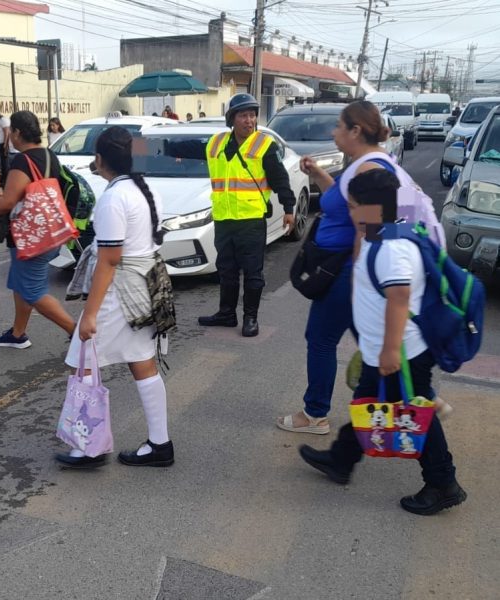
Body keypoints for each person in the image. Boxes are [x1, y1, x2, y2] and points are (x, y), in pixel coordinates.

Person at [299, 168, 466, 516]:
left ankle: (442, 482)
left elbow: (399, 297)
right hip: (388, 349)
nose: (350, 212)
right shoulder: (385, 231)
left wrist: (389, 349)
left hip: (401, 351)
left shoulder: (392, 247)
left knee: (416, 414)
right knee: (368, 401)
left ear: (370, 208)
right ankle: (342, 459)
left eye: (353, 205)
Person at [55, 126, 173, 469]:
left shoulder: (114, 198)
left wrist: (89, 316)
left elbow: (109, 260)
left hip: (120, 293)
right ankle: (160, 444)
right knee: (143, 363)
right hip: (145, 288)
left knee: (84, 359)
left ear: (101, 159)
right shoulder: (145, 189)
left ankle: (88, 448)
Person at [277, 100, 391, 435]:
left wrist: (359, 279)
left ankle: (314, 415)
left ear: (356, 130)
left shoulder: (369, 170)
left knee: (321, 339)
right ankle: (413, 398)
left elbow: (369, 229)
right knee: (370, 341)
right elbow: (343, 203)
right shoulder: (360, 165)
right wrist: (319, 174)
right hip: (347, 270)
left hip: (346, 270)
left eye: (339, 126)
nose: (333, 132)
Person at [0, 110, 76, 348]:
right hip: (49, 230)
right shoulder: (49, 155)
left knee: (33, 291)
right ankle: (18, 334)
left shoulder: (23, 160)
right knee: (21, 285)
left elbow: (8, 201)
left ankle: (78, 333)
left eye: (11, 133)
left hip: (31, 238)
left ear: (17, 132)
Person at [195, 93, 295, 337]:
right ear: (232, 118)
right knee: (226, 270)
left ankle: (250, 318)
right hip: (223, 219)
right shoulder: (215, 144)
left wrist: (289, 209)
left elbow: (280, 180)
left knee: (252, 272)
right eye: (243, 115)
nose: (249, 120)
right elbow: (185, 148)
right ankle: (227, 313)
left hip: (251, 221)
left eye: (252, 115)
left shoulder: (264, 146)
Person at [0, 110, 11, 188]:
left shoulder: (3, 120)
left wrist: (5, 144)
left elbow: (6, 132)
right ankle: (3, 181)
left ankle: (5, 181)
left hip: (2, 144)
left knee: (5, 164)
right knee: (2, 164)